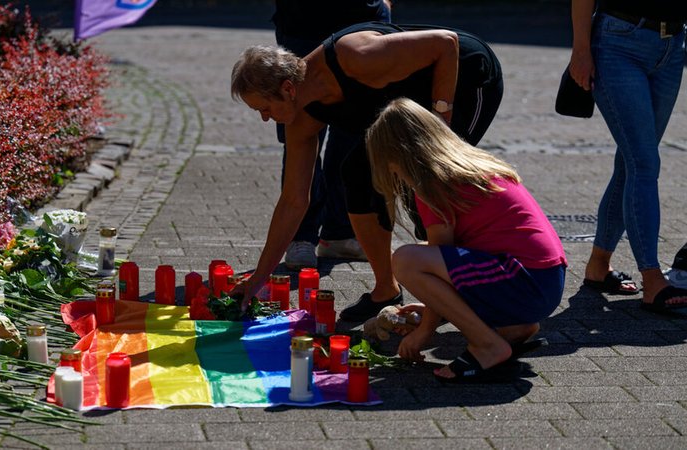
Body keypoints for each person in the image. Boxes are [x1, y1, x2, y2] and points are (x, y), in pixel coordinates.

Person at [230, 22, 503, 321]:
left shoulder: (355, 56)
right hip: (407, 107)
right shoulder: (300, 119)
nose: (265, 120)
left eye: (264, 109)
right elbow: (294, 200)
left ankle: (481, 296)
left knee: (432, 189)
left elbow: (445, 43)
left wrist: (441, 119)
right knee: (357, 176)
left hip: (463, 78)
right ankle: (386, 290)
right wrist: (259, 277)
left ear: (288, 88)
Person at [366, 97, 567, 382]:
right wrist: (434, 307)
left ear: (401, 156)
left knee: (407, 260)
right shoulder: (471, 166)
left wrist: (425, 332)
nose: (394, 174)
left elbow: (440, 256)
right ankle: (514, 330)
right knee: (425, 255)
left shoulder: (433, 183)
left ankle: (487, 346)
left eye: (391, 167)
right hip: (545, 281)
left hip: (525, 281)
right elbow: (455, 259)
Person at [569, 0, 687, 313]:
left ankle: (598, 267)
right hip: (618, 41)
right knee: (644, 163)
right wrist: (581, 50)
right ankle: (652, 279)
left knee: (631, 162)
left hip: (673, 45)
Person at [272, 0, 392, 270]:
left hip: (363, 18)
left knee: (356, 132)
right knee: (300, 132)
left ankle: (340, 233)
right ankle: (300, 237)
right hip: (302, 24)